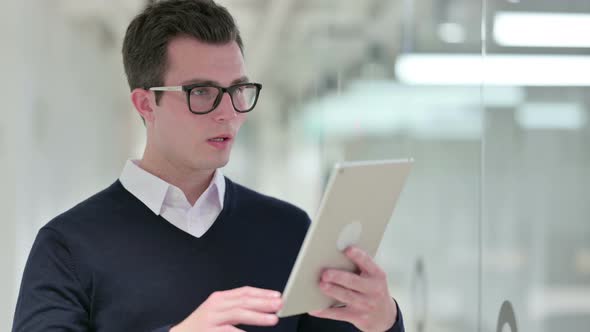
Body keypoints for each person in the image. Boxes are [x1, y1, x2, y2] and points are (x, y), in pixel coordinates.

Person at [12, 1, 405, 331]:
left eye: (237, 90)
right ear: (145, 104)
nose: (228, 113)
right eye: (201, 92)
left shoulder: (288, 230)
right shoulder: (67, 246)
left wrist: (384, 319)